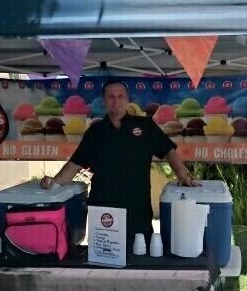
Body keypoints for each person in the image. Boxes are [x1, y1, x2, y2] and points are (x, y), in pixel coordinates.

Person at [41, 80, 199, 247]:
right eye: (111, 96)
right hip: (103, 209)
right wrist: (54, 183)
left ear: (128, 99)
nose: (116, 101)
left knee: (139, 260)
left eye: (120, 96)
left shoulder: (145, 126)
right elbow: (75, 164)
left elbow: (169, 151)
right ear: (104, 100)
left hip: (137, 209)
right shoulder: (96, 131)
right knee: (104, 261)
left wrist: (183, 176)